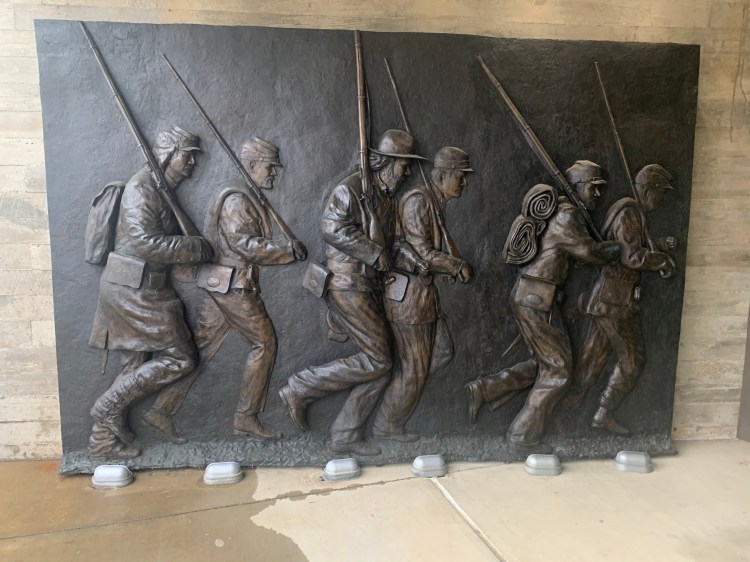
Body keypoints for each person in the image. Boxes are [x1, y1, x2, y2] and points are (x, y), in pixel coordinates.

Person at [143, 138, 307, 443]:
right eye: (270, 167)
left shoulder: (248, 195)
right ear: (252, 165)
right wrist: (285, 251)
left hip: (222, 283)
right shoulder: (237, 199)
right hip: (233, 285)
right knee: (264, 344)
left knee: (202, 349)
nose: (274, 173)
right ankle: (246, 418)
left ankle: (160, 410)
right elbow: (244, 245)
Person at [279, 129, 425, 456]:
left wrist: (416, 261)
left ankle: (345, 434)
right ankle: (301, 386)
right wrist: (372, 253)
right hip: (347, 284)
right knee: (380, 359)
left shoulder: (387, 199)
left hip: (369, 287)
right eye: (404, 165)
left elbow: (395, 242)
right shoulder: (351, 189)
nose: (407, 173)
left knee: (381, 361)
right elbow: (331, 228)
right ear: (386, 162)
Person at [466, 160, 620, 456]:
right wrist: (618, 248)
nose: (598, 194)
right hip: (538, 299)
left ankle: (486, 389)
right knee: (558, 371)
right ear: (577, 187)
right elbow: (588, 251)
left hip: (535, 296)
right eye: (594, 188)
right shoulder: (567, 213)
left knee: (546, 363)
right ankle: (521, 436)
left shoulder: (562, 212)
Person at [88, 126, 212, 459]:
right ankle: (105, 408)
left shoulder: (160, 188)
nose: (192, 164)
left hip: (143, 287)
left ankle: (102, 441)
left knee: (134, 366)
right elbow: (147, 243)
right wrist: (193, 247)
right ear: (168, 155)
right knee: (181, 358)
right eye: (188, 156)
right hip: (133, 290)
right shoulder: (141, 188)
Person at [371, 146, 474, 442]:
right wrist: (455, 266)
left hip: (424, 297)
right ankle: (385, 424)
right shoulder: (418, 201)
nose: (464, 183)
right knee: (414, 368)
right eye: (460, 176)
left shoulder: (435, 202)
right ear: (442, 176)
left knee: (441, 352)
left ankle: (403, 393)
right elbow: (422, 253)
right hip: (409, 299)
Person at [567, 164, 676, 435]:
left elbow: (630, 245)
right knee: (633, 361)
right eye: (660, 194)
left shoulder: (634, 214)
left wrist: (660, 244)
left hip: (607, 301)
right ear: (648, 191)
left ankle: (561, 413)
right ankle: (603, 413)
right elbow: (632, 257)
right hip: (614, 302)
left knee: (590, 366)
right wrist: (662, 260)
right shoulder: (629, 213)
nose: (661, 200)